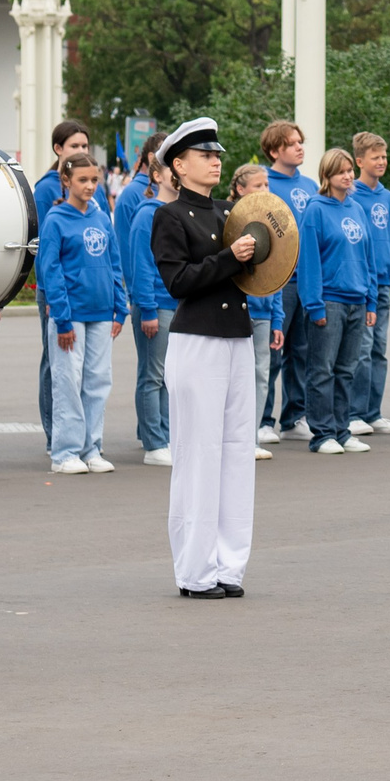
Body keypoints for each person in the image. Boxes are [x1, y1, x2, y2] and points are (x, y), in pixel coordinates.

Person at [150, 119, 263, 599]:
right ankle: (195, 571)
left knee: (237, 453)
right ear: (178, 165)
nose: (215, 161)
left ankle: (228, 566)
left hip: (237, 337)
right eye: (204, 155)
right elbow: (179, 282)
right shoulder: (169, 216)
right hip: (197, 340)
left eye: (217, 154)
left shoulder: (228, 211)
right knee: (198, 454)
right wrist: (231, 258)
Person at [38, 150, 129, 474]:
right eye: (83, 180)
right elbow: (50, 270)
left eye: (95, 180)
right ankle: (65, 453)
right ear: (66, 181)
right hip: (71, 316)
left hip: (102, 312)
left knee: (97, 381)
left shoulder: (102, 216)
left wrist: (120, 308)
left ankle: (92, 448)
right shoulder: (56, 220)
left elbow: (113, 263)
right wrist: (61, 319)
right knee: (68, 381)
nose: (90, 186)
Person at [294, 148, 376, 456]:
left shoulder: (356, 208)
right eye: (341, 171)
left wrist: (369, 300)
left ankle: (343, 430)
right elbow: (309, 261)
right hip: (329, 301)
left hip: (357, 300)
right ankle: (322, 433)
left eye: (349, 171)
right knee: (322, 370)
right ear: (327, 176)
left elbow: (366, 258)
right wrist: (313, 304)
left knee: (346, 370)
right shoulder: (315, 209)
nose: (348, 176)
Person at [257, 121, 316, 444]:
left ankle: (294, 417)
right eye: (291, 143)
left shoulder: (310, 186)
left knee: (301, 352)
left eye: (300, 142)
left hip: (306, 279)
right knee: (273, 353)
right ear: (274, 150)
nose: (299, 147)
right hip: (279, 282)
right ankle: (263, 420)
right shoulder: (266, 184)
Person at [33, 120, 94, 430]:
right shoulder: (46, 188)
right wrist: (47, 294)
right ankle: (53, 430)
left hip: (82, 289)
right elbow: (46, 249)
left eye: (85, 146)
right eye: (74, 146)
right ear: (58, 149)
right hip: (55, 290)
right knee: (55, 363)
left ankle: (78, 427)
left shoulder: (90, 185)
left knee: (81, 366)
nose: (81, 151)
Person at [348, 131, 390, 438]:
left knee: (379, 351)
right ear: (360, 161)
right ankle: (354, 413)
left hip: (385, 284)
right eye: (375, 157)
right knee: (362, 349)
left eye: (384, 156)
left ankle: (373, 412)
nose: (382, 161)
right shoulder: (352, 195)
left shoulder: (387, 197)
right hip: (364, 285)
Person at [121, 149, 177, 466]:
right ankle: (154, 443)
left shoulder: (175, 211)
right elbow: (142, 264)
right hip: (155, 305)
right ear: (157, 176)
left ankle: (164, 437)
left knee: (169, 376)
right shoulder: (148, 214)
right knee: (152, 375)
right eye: (172, 170)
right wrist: (149, 308)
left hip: (175, 304)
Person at [230, 163, 282, 460]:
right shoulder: (232, 220)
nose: (265, 191)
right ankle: (233, 439)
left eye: (266, 185)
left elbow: (274, 273)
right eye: (258, 185)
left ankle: (250, 438)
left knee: (260, 375)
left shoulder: (270, 222)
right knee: (235, 376)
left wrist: (277, 318)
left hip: (263, 312)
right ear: (240, 189)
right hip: (237, 309)